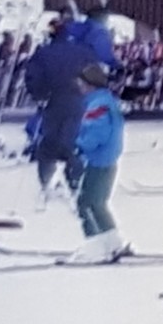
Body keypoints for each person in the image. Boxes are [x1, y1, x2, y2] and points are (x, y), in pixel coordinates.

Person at [22, 25, 98, 201]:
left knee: (49, 143)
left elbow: (32, 77)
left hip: (54, 100)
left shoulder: (43, 53)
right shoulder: (84, 52)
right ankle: (75, 181)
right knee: (74, 142)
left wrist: (39, 95)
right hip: (80, 101)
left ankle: (46, 183)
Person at [66, 63, 127, 263]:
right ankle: (113, 243)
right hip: (108, 158)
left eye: (81, 83)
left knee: (85, 203)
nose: (79, 87)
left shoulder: (97, 106)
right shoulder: (106, 101)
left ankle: (94, 247)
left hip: (99, 159)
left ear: (90, 84)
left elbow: (96, 134)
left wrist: (79, 145)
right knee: (99, 203)